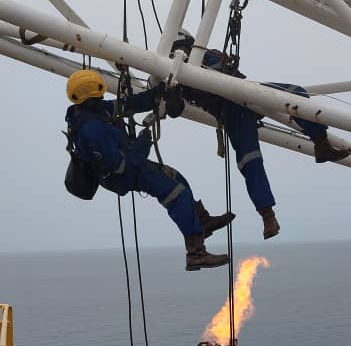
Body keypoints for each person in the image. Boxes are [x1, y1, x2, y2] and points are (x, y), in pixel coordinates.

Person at [167, 33, 348, 241]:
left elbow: (226, 74)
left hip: (247, 92)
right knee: (250, 159)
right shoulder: (178, 73)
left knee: (294, 93)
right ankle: (267, 215)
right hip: (231, 110)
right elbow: (176, 106)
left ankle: (321, 144)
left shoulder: (208, 57)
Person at [65, 69, 233, 271]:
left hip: (129, 163)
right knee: (174, 194)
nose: (103, 97)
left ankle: (202, 223)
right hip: (124, 175)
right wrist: (144, 143)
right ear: (94, 93)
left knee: (178, 178)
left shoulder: (92, 111)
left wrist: (159, 92)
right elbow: (121, 166)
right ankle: (196, 253)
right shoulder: (91, 129)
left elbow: (127, 105)